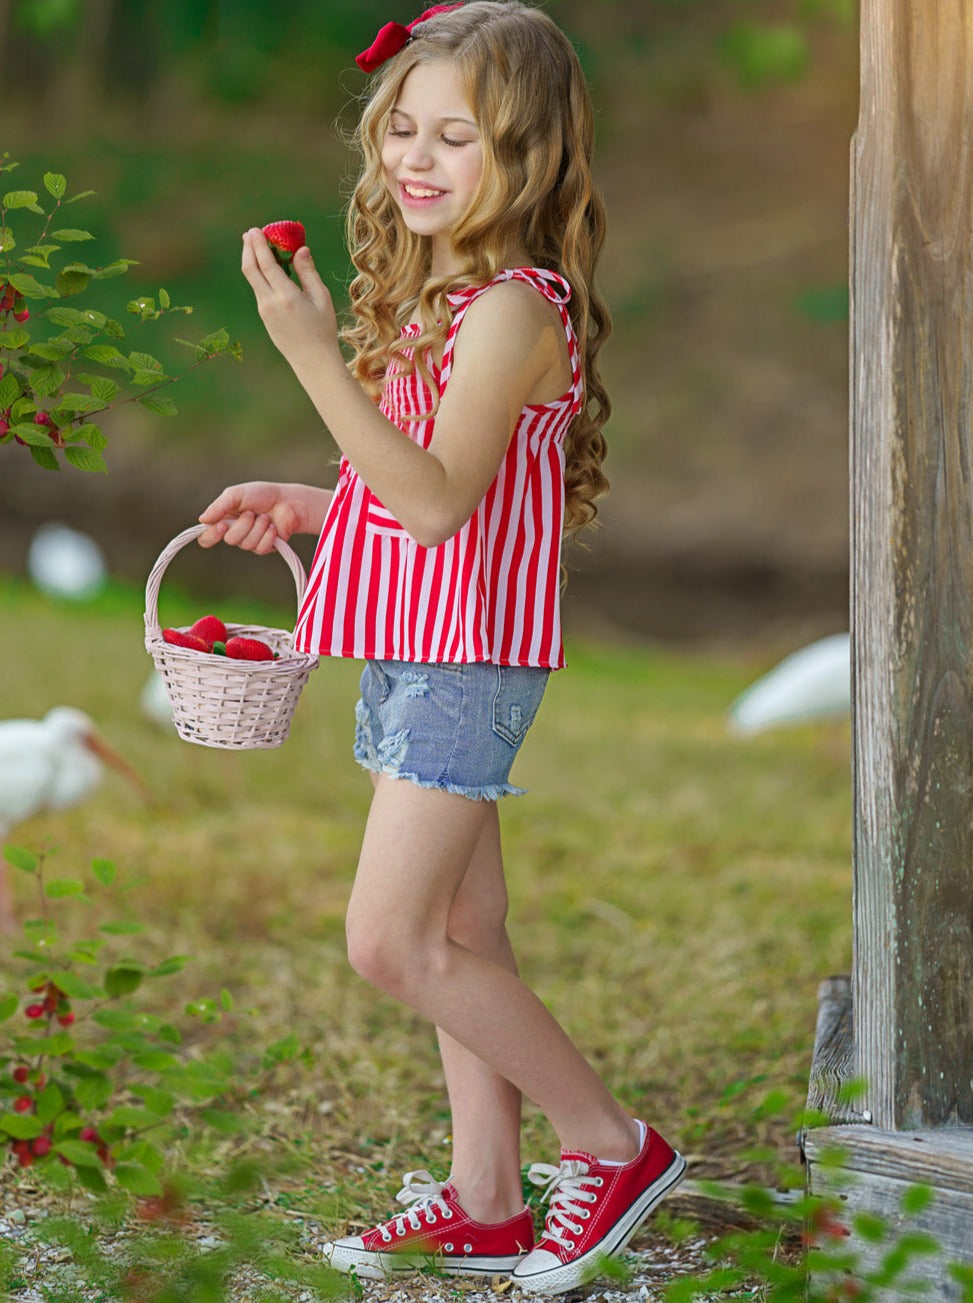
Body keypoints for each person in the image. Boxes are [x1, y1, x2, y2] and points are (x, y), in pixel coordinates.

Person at [198, 2, 684, 1293]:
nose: (414, 159)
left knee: (392, 943)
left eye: (454, 136)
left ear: (525, 156)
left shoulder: (513, 312)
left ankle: (611, 1145)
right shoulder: (450, 301)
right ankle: (483, 1199)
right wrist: (312, 505)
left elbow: (433, 505)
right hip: (415, 639)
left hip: (465, 661)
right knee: (469, 930)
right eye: (399, 130)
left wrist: (309, 354)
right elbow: (415, 489)